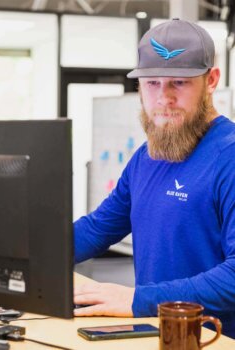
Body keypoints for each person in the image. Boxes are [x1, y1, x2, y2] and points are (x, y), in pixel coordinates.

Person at [73, 18, 235, 338]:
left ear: (211, 80)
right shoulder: (145, 159)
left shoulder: (228, 157)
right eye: (152, 83)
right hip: (155, 336)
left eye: (179, 82)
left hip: (213, 341)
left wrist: (138, 299)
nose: (163, 98)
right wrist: (22, 254)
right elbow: (97, 229)